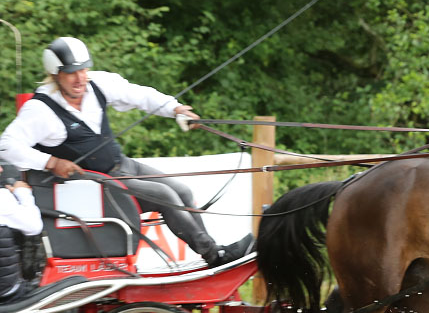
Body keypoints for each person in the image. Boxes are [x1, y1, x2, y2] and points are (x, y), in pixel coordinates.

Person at [0, 36, 253, 267]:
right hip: (91, 184)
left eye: (83, 69)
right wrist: (51, 161)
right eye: (71, 73)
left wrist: (175, 109)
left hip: (121, 167)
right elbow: (7, 145)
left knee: (183, 191)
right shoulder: (41, 110)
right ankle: (214, 255)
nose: (80, 78)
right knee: (165, 196)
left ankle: (213, 255)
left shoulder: (97, 83)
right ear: (56, 74)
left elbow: (138, 95)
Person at [0, 178, 42, 302]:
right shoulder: (2, 197)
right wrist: (23, 193)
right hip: (5, 293)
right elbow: (33, 227)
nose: (1, 169)